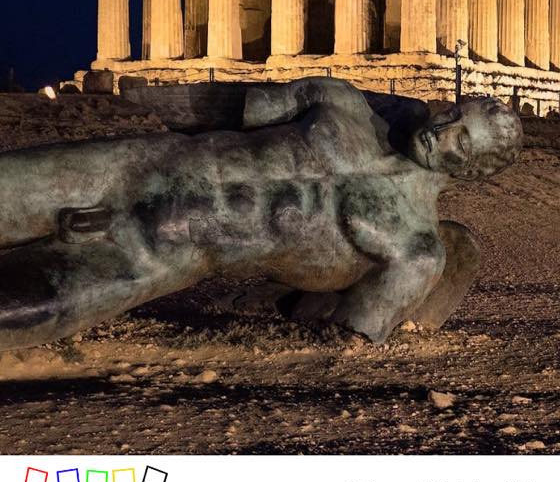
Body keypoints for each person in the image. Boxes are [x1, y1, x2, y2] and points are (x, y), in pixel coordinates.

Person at [0, 78, 522, 348]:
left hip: (154, 254)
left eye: (460, 138)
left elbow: (346, 336)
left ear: (474, 170)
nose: (440, 130)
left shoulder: (415, 249)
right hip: (128, 167)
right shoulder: (341, 101)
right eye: (452, 114)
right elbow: (221, 108)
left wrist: (271, 303)